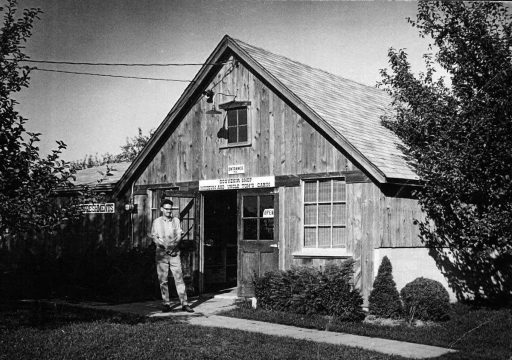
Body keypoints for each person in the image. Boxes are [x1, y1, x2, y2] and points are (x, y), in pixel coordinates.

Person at [151, 199, 194, 313]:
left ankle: (184, 304)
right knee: (163, 279)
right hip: (161, 253)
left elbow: (180, 235)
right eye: (167, 209)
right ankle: (166, 304)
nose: (169, 211)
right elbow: (155, 237)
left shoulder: (176, 220)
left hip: (175, 253)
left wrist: (175, 244)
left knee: (179, 278)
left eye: (171, 209)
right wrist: (164, 245)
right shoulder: (156, 222)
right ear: (162, 209)